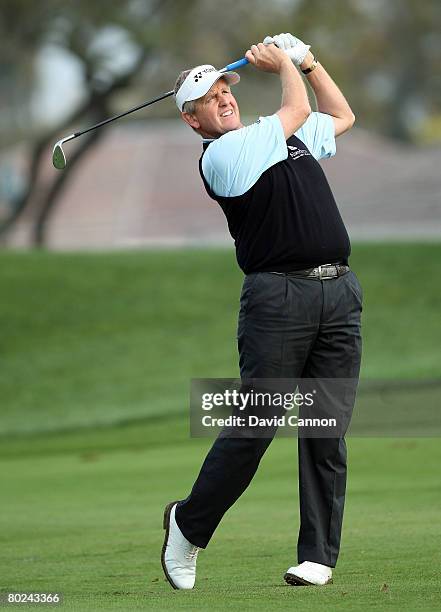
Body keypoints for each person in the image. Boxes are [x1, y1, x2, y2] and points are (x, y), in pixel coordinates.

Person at [161, 33, 362, 590]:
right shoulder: (224, 154)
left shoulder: (283, 139)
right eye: (208, 97)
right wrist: (284, 65)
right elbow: (297, 106)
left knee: (327, 428)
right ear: (192, 121)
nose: (223, 98)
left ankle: (317, 555)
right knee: (257, 424)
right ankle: (188, 524)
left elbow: (340, 115)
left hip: (338, 292)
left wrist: (311, 62)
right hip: (279, 299)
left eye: (225, 87)